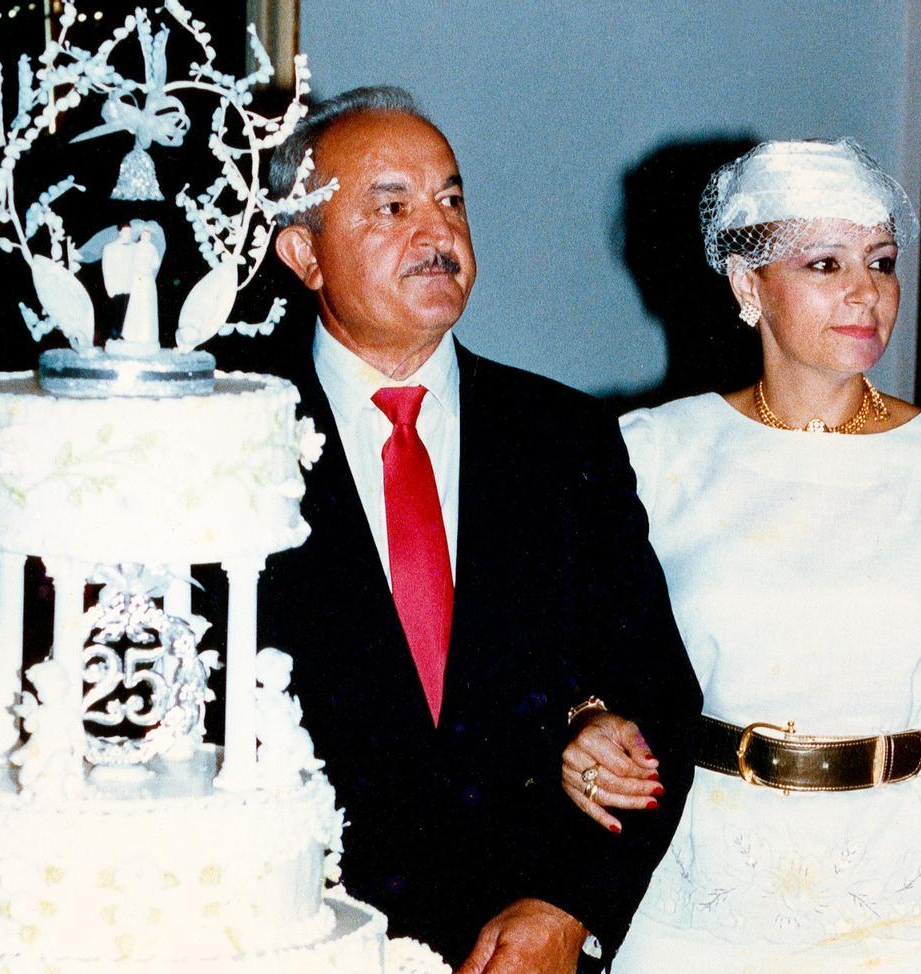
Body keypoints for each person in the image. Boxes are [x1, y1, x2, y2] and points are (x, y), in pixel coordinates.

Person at [561, 139, 921, 973]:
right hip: (695, 890)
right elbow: (587, 656)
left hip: (898, 900)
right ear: (749, 286)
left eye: (881, 261)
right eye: (826, 262)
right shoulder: (653, 453)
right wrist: (584, 722)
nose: (866, 291)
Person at [260, 86, 702, 973]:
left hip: (518, 945)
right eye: (391, 206)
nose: (438, 234)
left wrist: (571, 904)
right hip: (283, 932)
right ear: (304, 254)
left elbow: (657, 699)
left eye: (452, 200)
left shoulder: (563, 438)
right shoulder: (233, 433)